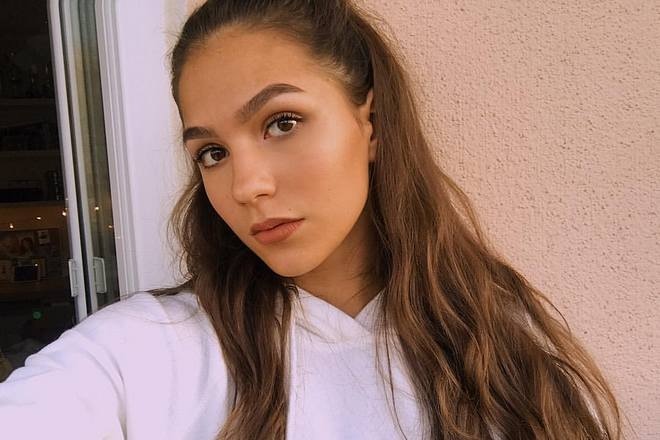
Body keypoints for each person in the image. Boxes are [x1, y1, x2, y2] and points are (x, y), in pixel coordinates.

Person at [0, 0, 624, 439]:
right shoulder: (145, 352)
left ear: (369, 123)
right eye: (212, 152)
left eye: (282, 122)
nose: (246, 186)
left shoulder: (497, 338)